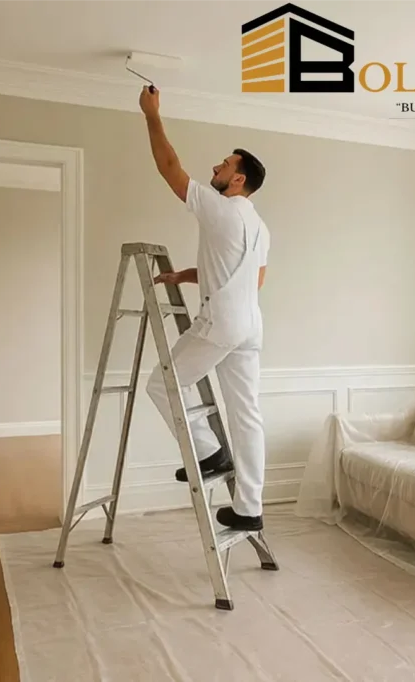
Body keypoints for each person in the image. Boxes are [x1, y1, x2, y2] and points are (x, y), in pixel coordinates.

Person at [137, 85, 271, 532]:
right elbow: (248, 277)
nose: (215, 167)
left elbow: (168, 167)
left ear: (237, 181)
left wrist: (152, 114)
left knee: (162, 383)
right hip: (250, 325)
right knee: (246, 414)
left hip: (221, 323)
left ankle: (207, 450)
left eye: (225, 164)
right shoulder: (257, 225)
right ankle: (250, 508)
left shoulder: (219, 208)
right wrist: (184, 276)